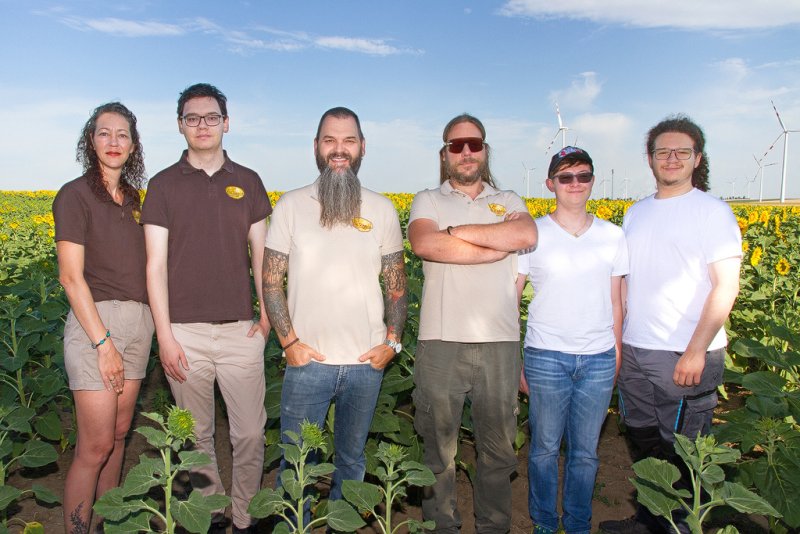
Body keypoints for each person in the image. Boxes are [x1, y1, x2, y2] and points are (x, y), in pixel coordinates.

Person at [600, 115, 742, 534]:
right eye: (663, 151)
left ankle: (680, 527)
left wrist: (697, 350)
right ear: (650, 160)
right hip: (637, 350)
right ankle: (650, 519)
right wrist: (618, 343)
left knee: (682, 452)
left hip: (685, 353)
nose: (672, 158)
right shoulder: (636, 212)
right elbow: (625, 283)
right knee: (645, 444)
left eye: (682, 151)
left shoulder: (712, 213)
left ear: (697, 158)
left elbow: (725, 287)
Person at [141, 83, 270, 534]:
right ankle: (212, 516)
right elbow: (154, 266)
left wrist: (269, 314)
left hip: (241, 330)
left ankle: (247, 516)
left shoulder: (249, 181)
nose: (202, 125)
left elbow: (262, 258)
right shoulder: (161, 185)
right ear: (180, 126)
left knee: (251, 433)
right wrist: (166, 336)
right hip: (184, 333)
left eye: (210, 117)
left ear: (226, 123)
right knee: (197, 438)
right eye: (192, 118)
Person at [262, 106, 407, 503]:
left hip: (366, 365)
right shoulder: (290, 206)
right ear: (316, 147)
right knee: (296, 464)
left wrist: (391, 344)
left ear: (362, 147)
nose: (338, 149)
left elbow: (397, 287)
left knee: (352, 462)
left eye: (348, 140)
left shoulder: (382, 209)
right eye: (329, 140)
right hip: (308, 364)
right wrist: (289, 343)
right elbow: (271, 281)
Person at [408, 113, 538, 533]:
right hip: (440, 341)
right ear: (444, 154)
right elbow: (425, 242)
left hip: (499, 342)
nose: (466, 151)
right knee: (438, 452)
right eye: (456, 144)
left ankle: (494, 527)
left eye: (474, 144)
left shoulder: (512, 198)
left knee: (498, 452)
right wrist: (489, 245)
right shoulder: (427, 199)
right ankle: (442, 527)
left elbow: (524, 236)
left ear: (485, 150)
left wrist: (458, 232)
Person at [516, 147, 627, 534]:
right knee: (544, 449)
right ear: (551, 184)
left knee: (586, 453)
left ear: (593, 181)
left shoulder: (614, 236)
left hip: (598, 358)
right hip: (545, 356)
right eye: (566, 177)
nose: (575, 184)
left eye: (583, 175)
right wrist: (517, 362)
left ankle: (578, 523)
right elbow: (512, 299)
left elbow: (617, 302)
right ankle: (545, 522)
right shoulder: (532, 234)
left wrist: (617, 356)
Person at [54, 102, 154, 533]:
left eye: (123, 135)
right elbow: (71, 278)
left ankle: (106, 526)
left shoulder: (134, 199)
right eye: (104, 133)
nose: (114, 142)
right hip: (97, 325)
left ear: (133, 146)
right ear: (89, 141)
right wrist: (103, 344)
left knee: (117, 437)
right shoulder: (74, 195)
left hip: (140, 322)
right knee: (93, 447)